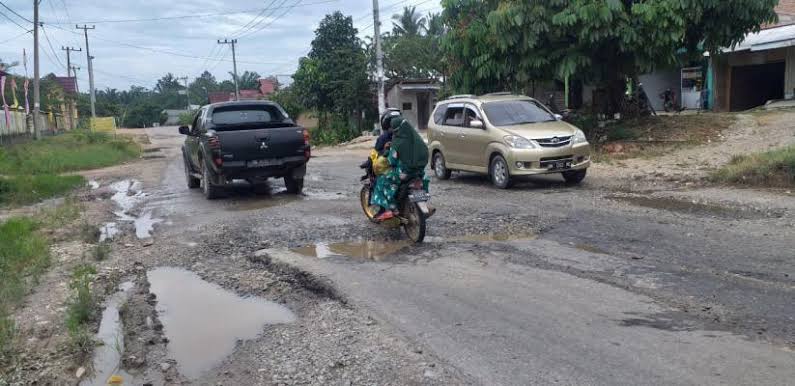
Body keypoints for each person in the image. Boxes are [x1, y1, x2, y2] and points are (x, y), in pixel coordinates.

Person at [370, 112, 429, 221]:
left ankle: (390, 209)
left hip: (404, 174)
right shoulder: (416, 139)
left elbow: (392, 161)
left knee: (381, 181)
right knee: (422, 181)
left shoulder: (397, 142)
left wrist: (388, 151)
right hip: (419, 172)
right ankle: (422, 203)